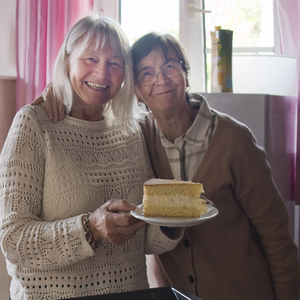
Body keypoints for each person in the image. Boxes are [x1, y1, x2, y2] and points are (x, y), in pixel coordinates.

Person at [32, 33, 300, 299]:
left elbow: (277, 237)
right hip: (175, 295)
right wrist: (55, 89)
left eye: (170, 66)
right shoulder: (135, 137)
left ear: (186, 74)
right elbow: (92, 101)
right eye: (146, 73)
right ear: (135, 89)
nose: (161, 79)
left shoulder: (234, 140)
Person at [0, 17, 184, 300]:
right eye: (91, 58)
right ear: (68, 60)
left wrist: (173, 221)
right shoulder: (34, 123)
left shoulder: (132, 128)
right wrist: (89, 228)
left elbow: (141, 240)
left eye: (115, 63)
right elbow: (13, 241)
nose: (102, 73)